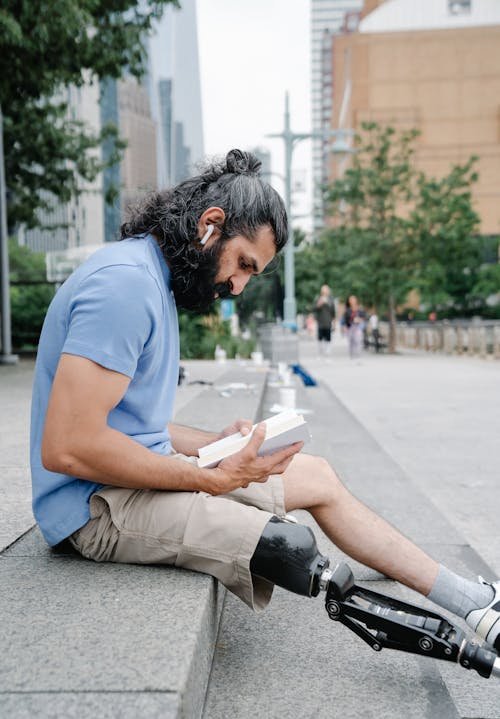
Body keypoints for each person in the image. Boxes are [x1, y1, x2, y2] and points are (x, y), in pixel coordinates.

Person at [30, 149, 500, 653]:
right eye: (243, 265)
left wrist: (216, 446)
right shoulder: (124, 287)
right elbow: (68, 446)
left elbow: (129, 427)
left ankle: (471, 601)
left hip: (127, 480)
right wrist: (206, 477)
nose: (238, 286)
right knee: (287, 544)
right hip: (94, 510)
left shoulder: (150, 280)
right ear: (210, 226)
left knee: (318, 477)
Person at [313, 284, 336, 356]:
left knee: (328, 338)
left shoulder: (331, 299)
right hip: (320, 322)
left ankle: (327, 354)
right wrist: (320, 303)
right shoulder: (318, 298)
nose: (325, 292)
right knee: (320, 338)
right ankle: (320, 353)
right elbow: (314, 308)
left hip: (328, 322)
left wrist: (334, 322)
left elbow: (333, 312)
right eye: (323, 290)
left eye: (326, 290)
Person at [341, 295, 365, 359]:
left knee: (358, 341)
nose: (352, 301)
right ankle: (351, 356)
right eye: (351, 300)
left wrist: (360, 320)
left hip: (357, 327)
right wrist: (344, 327)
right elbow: (345, 320)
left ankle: (358, 356)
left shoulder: (359, 309)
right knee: (351, 342)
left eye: (353, 299)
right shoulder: (347, 310)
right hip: (350, 327)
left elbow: (363, 317)